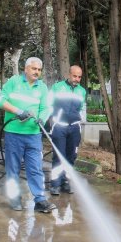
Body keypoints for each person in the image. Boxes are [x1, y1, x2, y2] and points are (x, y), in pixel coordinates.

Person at [0, 57, 56, 213]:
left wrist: (42, 119)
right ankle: (15, 198)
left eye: (39, 70)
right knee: (13, 169)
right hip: (13, 133)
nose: (37, 72)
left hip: (34, 135)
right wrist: (18, 112)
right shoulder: (14, 82)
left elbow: (46, 107)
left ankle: (40, 200)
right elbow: (0, 100)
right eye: (34, 68)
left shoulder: (42, 87)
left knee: (35, 168)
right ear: (26, 69)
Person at [48, 65, 86, 195]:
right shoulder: (57, 87)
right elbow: (49, 105)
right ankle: (55, 184)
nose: (77, 79)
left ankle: (65, 182)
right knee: (59, 156)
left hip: (74, 128)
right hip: (59, 126)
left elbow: (80, 108)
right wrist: (50, 121)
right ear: (69, 75)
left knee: (71, 156)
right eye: (75, 76)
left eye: (79, 77)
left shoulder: (82, 91)